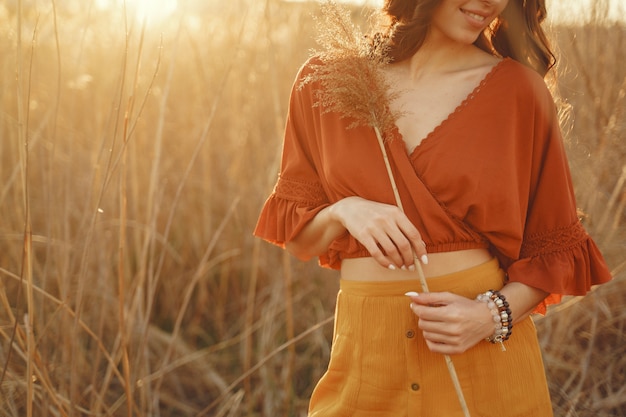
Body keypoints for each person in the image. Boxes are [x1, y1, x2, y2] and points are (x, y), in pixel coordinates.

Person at [254, 0, 613, 415]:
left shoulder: (519, 91)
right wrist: (344, 210)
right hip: (367, 367)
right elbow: (299, 240)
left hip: (482, 368)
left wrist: (487, 316)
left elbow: (553, 255)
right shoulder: (323, 83)